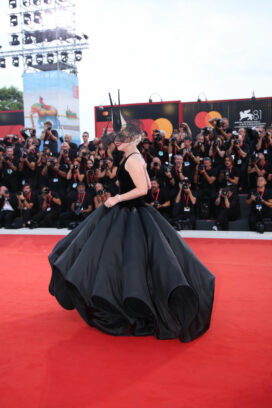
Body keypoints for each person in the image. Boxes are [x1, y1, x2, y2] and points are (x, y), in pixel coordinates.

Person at [48, 95, 215, 343]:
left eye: (121, 138)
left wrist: (116, 199)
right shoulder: (134, 157)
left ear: (133, 140)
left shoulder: (133, 159)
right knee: (116, 258)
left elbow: (144, 190)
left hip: (129, 212)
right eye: (117, 137)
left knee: (122, 260)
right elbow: (147, 183)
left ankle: (125, 303)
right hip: (133, 214)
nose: (116, 141)